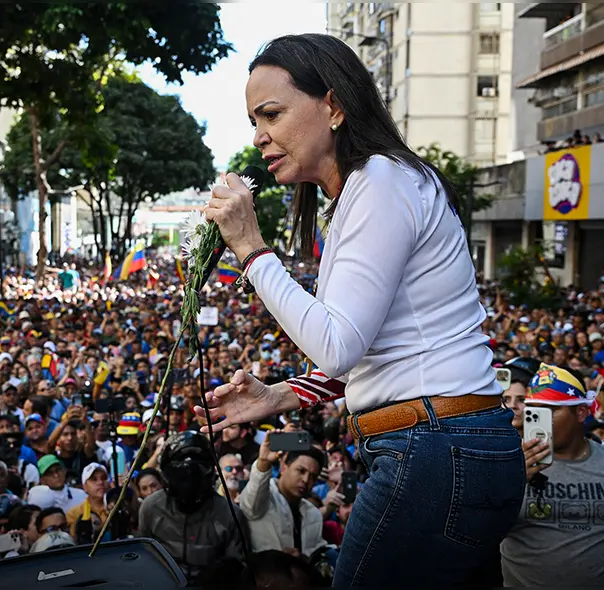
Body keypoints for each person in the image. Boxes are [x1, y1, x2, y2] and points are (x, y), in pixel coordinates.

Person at [201, 33, 525, 586]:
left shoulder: (380, 180)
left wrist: (251, 248)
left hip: (434, 451)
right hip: (453, 448)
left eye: (271, 114)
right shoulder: (370, 188)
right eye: (255, 121)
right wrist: (283, 394)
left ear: (333, 105)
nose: (259, 138)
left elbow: (338, 344)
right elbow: (375, 352)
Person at [500, 364, 604, 586]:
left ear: (581, 412)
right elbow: (477, 532)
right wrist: (512, 482)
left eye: (550, 410)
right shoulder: (507, 461)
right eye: (533, 411)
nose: (538, 421)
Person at [138, 431, 247, 585]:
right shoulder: (151, 508)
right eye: (181, 478)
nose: (188, 485)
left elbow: (237, 570)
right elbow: (143, 558)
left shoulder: (229, 514)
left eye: (195, 477)